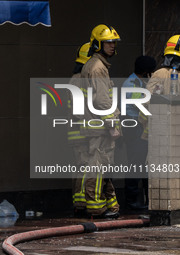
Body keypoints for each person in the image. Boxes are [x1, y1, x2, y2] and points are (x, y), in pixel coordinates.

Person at [80, 24, 121, 218]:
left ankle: (104, 205)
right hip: (100, 128)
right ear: (98, 44)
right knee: (97, 166)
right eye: (108, 43)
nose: (112, 46)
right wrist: (112, 124)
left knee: (101, 166)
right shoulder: (97, 68)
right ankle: (96, 207)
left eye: (114, 42)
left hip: (97, 126)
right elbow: (102, 101)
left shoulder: (97, 65)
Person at [121, 56, 156, 210]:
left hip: (138, 127)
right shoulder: (132, 84)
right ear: (146, 71)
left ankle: (141, 200)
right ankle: (132, 201)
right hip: (134, 127)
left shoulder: (139, 82)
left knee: (141, 163)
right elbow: (139, 104)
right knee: (135, 164)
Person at [69, 42, 91, 217]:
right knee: (83, 167)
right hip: (81, 133)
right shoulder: (78, 80)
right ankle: (80, 204)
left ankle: (81, 203)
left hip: (84, 131)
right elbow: (78, 110)